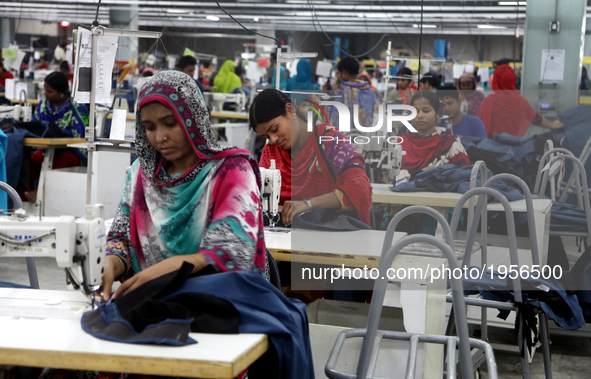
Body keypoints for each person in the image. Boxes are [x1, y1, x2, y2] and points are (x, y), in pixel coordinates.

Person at [101, 71, 267, 301]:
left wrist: (172, 268)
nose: (160, 137)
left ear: (194, 119)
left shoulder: (232, 171)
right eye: (149, 127)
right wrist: (110, 264)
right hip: (151, 305)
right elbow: (121, 238)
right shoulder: (141, 173)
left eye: (170, 124)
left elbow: (232, 250)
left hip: (218, 307)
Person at [250, 88, 372, 227]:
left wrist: (307, 205)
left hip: (328, 237)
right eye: (266, 136)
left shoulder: (330, 141)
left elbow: (360, 190)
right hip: (284, 238)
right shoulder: (271, 151)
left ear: (290, 110)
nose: (273, 140)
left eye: (274, 129)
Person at [23, 72, 89, 202]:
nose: (45, 94)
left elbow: (82, 137)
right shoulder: (43, 105)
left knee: (57, 160)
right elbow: (34, 126)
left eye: (50, 91)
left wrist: (63, 135)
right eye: (45, 90)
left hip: (71, 153)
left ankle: (41, 194)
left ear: (62, 93)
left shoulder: (76, 108)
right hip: (45, 151)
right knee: (26, 162)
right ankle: (20, 196)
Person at [396, 90, 471, 183]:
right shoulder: (401, 143)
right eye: (415, 111)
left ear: (437, 113)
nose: (420, 115)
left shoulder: (450, 145)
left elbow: (467, 176)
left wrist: (438, 172)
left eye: (426, 111)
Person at [477, 64, 563, 138]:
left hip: (489, 149)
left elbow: (477, 124)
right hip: (511, 149)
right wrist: (552, 125)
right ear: (512, 80)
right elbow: (536, 119)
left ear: (495, 80)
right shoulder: (521, 101)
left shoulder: (488, 101)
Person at [323, 56, 378, 129]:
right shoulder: (370, 92)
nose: (338, 76)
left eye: (339, 73)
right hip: (366, 136)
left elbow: (333, 120)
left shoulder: (343, 93)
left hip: (347, 137)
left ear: (344, 73)